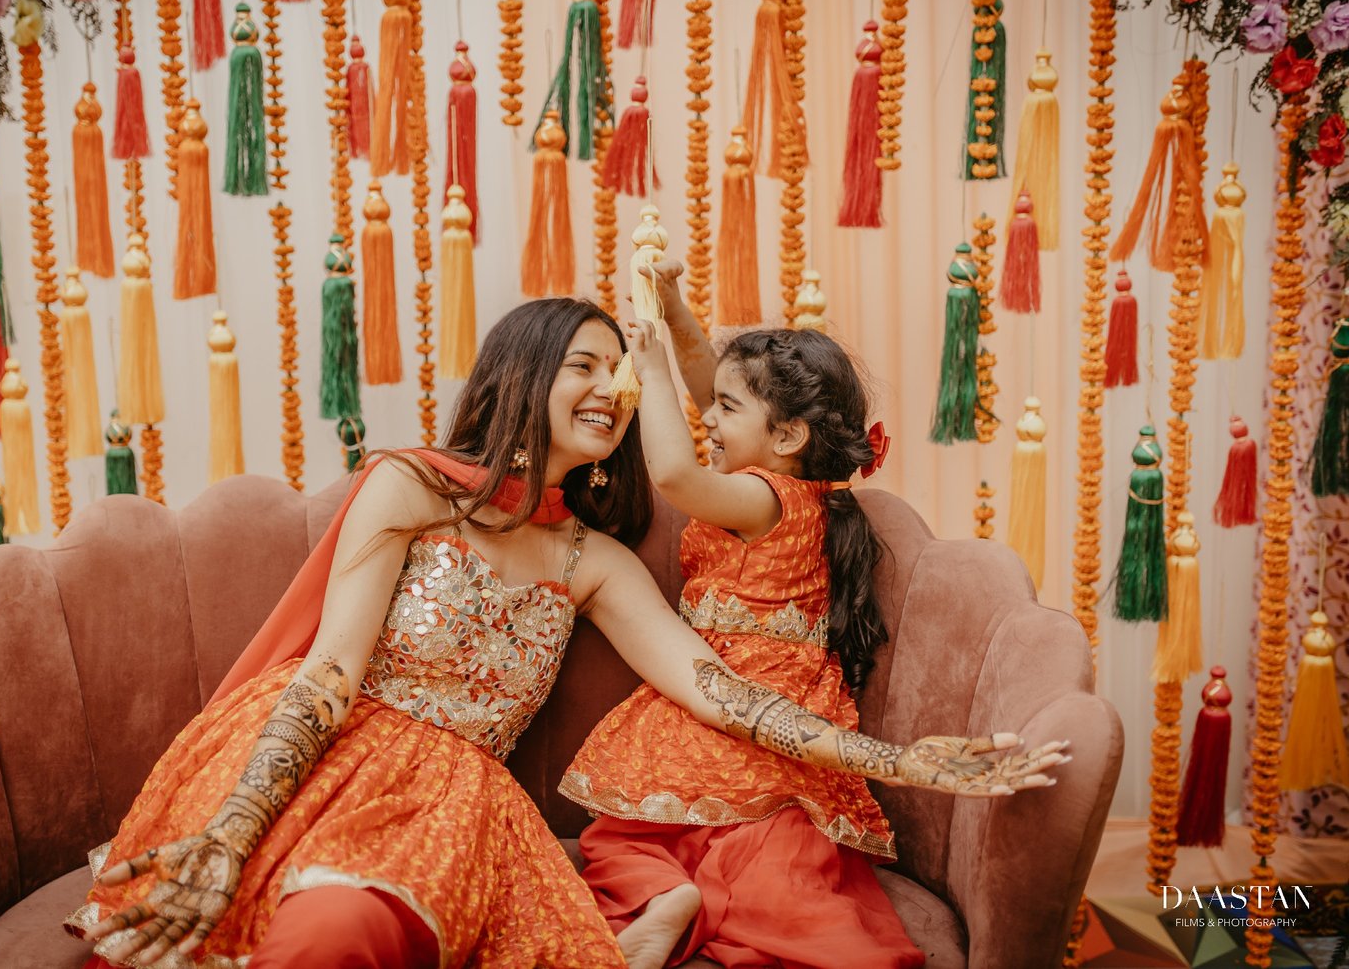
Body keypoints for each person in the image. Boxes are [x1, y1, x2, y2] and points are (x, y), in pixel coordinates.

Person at [69, 297, 1067, 969]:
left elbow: (724, 692)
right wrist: (233, 829)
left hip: (452, 803)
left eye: (620, 373)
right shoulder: (408, 487)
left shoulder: (592, 560)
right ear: (524, 372)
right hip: (322, 755)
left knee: (334, 933)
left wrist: (906, 759)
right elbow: (328, 669)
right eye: (584, 365)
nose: (611, 388)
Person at [562, 260, 1057, 969]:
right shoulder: (800, 488)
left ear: (787, 437)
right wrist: (673, 312)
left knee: (634, 838)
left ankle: (661, 894)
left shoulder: (763, 496)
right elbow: (717, 385)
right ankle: (673, 897)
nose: (708, 416)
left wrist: (650, 362)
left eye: (727, 412)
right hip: (749, 704)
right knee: (751, 852)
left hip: (734, 701)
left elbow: (674, 474)